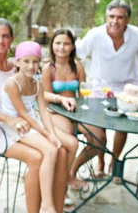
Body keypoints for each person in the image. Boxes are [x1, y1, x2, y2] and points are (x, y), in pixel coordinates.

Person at [0, 19, 78, 213]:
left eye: (5, 36)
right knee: (37, 157)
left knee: (61, 151)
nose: (0, 41)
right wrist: (7, 118)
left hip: (21, 125)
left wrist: (59, 98)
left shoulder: (15, 65)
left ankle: (55, 208)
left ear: (11, 39)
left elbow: (34, 92)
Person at [74, 0, 138, 182]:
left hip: (129, 86)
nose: (115, 21)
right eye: (111, 16)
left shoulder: (137, 35)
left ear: (128, 19)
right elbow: (76, 53)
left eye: (120, 17)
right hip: (100, 86)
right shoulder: (96, 34)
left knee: (122, 126)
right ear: (106, 17)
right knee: (100, 128)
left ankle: (115, 161)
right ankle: (100, 164)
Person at [2, 41, 81, 213]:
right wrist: (47, 135)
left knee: (72, 143)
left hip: (33, 122)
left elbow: (43, 111)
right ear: (17, 62)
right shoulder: (12, 84)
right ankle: (47, 203)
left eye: (35, 61)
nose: (31, 66)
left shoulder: (36, 83)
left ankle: (64, 179)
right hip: (18, 125)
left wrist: (51, 133)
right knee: (52, 150)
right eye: (26, 61)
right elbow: (22, 114)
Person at [41, 29, 105, 184]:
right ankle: (61, 181)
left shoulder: (78, 67)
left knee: (100, 139)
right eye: (58, 43)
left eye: (66, 43)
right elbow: (44, 95)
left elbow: (82, 94)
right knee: (69, 137)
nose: (61, 47)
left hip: (76, 111)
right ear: (52, 45)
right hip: (56, 111)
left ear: (72, 46)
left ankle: (71, 170)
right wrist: (60, 100)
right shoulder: (48, 68)